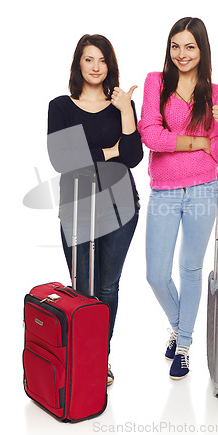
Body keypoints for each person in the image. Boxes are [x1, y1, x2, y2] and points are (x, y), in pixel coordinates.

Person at [137, 17, 218, 380]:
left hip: (204, 189)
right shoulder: (155, 82)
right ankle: (180, 326)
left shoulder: (215, 92)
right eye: (175, 46)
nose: (181, 54)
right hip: (164, 190)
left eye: (190, 47)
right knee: (156, 274)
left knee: (191, 270)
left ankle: (183, 346)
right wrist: (198, 142)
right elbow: (151, 135)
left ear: (201, 49)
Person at [47, 34, 143, 386]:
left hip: (120, 207)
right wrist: (109, 151)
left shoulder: (122, 105)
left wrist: (124, 112)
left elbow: (133, 156)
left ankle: (99, 358)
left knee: (106, 288)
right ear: (78, 64)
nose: (96, 66)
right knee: (80, 288)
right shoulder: (61, 106)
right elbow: (62, 159)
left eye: (102, 60)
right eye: (89, 59)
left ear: (109, 65)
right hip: (76, 206)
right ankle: (78, 356)